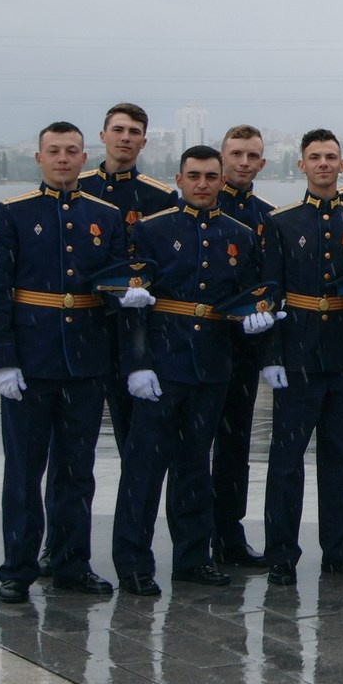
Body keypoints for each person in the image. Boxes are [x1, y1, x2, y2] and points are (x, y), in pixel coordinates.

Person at [113, 145, 274, 595]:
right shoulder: (151, 231)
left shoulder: (240, 235)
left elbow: (251, 296)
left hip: (211, 365)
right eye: (194, 176)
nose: (203, 184)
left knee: (194, 469)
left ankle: (191, 557)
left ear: (223, 180)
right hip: (162, 365)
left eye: (210, 176)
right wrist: (137, 364)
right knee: (144, 469)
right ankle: (133, 562)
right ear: (179, 179)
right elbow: (133, 306)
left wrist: (257, 321)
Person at [0, 121, 129, 603]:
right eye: (54, 151)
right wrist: (2, 360)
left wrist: (127, 300)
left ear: (85, 157)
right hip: (31, 360)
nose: (63, 159)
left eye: (71, 151)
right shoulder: (13, 213)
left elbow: (110, 287)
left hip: (85, 363)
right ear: (39, 157)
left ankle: (71, 563)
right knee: (24, 472)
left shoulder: (105, 215)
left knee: (77, 471)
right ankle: (18, 569)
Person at [257, 129, 343, 586]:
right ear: (301, 165)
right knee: (286, 460)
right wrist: (270, 354)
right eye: (314, 157)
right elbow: (269, 294)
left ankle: (340, 550)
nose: (323, 164)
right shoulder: (281, 222)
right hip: (296, 353)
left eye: (331, 157)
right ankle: (281, 553)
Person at [73, 103, 176, 468]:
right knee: (71, 444)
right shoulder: (77, 186)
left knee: (136, 443)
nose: (125, 138)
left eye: (134, 133)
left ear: (144, 142)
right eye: (118, 130)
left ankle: (130, 522)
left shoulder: (159, 198)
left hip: (131, 329)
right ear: (103, 136)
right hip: (79, 325)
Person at [209, 125, 277, 569]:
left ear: (263, 163)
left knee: (234, 447)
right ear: (221, 156)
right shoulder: (197, 204)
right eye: (236, 154)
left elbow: (270, 281)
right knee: (192, 448)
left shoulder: (268, 216)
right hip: (197, 342)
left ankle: (229, 535)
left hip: (244, 345)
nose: (243, 163)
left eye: (253, 156)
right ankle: (195, 537)